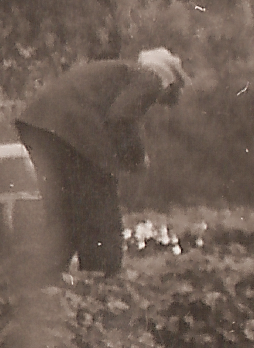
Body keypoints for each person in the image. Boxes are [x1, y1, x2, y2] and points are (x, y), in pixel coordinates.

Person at [14, 47, 190, 282]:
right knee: (101, 208)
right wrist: (136, 156)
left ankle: (33, 280)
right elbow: (122, 117)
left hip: (39, 123)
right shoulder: (151, 78)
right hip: (71, 130)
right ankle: (103, 280)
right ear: (169, 81)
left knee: (65, 212)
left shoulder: (123, 73)